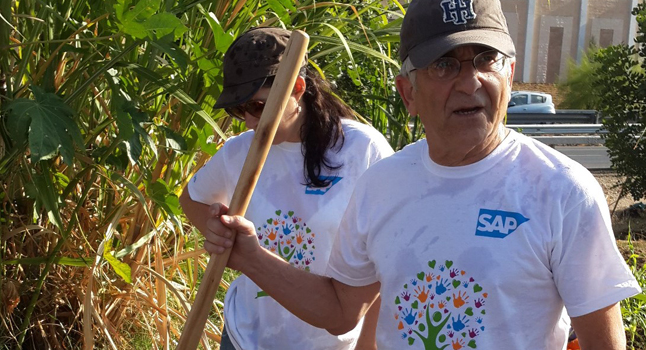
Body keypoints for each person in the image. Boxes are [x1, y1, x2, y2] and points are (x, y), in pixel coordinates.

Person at [204, 1, 643, 349]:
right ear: (407, 92)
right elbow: (340, 311)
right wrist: (248, 256)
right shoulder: (382, 184)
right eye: (445, 65)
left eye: (486, 59)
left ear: (509, 73)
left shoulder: (562, 191)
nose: (470, 82)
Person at [180, 27, 393, 350]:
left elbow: (382, 262)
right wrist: (217, 229)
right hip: (245, 336)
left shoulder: (360, 150)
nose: (249, 122)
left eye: (256, 106)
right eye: (239, 110)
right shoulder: (239, 152)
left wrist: (368, 344)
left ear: (296, 88)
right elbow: (191, 199)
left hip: (330, 342)